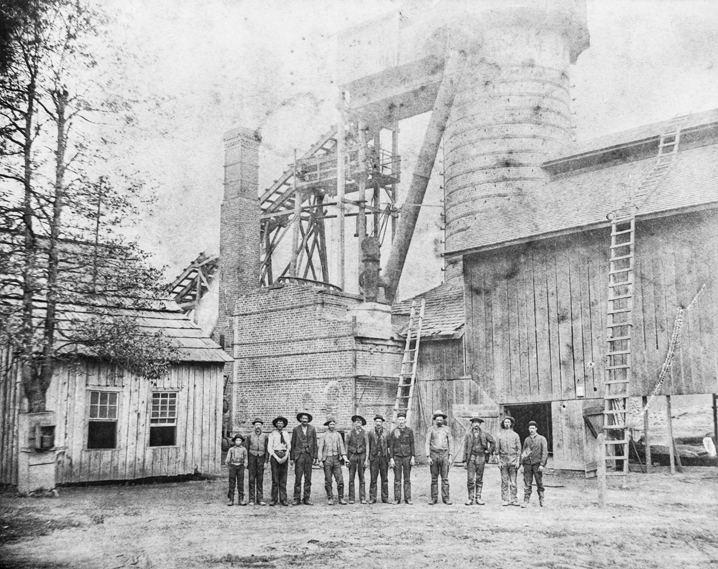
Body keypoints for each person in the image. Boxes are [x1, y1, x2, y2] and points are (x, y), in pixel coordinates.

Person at [462, 416, 495, 506]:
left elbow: (493, 442)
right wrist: (464, 460)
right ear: (472, 424)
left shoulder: (485, 433)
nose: (476, 424)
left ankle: (478, 497)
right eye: (474, 423)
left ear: (480, 424)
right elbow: (465, 447)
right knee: (470, 479)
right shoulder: (468, 434)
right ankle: (470, 498)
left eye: (478, 423)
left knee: (479, 478)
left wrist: (488, 451)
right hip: (471, 457)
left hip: (481, 457)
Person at [317, 416, 349, 505]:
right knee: (328, 480)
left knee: (340, 479)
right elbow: (320, 449)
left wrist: (345, 459)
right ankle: (330, 498)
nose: (332, 425)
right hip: (327, 459)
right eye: (330, 424)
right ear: (328, 425)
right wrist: (320, 461)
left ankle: (341, 498)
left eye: (333, 424)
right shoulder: (323, 435)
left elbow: (342, 448)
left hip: (336, 460)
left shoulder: (338, 435)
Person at [290, 411, 318, 506]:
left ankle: (306, 498)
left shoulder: (312, 429)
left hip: (308, 455)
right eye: (303, 418)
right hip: (299, 455)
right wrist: (292, 458)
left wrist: (315, 457)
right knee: (298, 478)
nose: (305, 420)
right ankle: (296, 498)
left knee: (308, 478)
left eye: (306, 419)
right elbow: (293, 444)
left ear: (308, 420)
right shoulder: (296, 429)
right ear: (300, 419)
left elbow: (315, 444)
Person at [425, 409, 452, 505]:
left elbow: (451, 443)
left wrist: (450, 456)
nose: (439, 421)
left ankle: (446, 498)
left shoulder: (447, 429)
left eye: (441, 419)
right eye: (437, 419)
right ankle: (434, 498)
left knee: (445, 478)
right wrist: (428, 456)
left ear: (443, 420)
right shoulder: (431, 429)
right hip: (434, 455)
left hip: (444, 455)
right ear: (435, 420)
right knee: (434, 478)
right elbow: (427, 442)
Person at [389, 411, 415, 505]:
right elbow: (391, 446)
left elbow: (412, 444)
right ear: (397, 421)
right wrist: (391, 458)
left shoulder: (409, 431)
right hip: (397, 457)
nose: (401, 421)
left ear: (405, 420)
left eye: (402, 419)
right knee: (397, 479)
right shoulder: (394, 431)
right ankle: (397, 498)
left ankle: (408, 498)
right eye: (399, 419)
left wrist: (413, 457)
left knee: (407, 479)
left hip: (407, 457)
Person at [521, 420, 548, 508]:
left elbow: (544, 452)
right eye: (530, 428)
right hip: (528, 464)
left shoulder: (541, 439)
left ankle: (542, 500)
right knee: (527, 482)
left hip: (537, 464)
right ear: (528, 429)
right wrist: (522, 464)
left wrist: (542, 464)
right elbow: (524, 452)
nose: (531, 430)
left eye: (533, 428)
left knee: (539, 482)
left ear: (536, 429)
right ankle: (526, 500)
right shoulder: (527, 440)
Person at [495, 416, 521, 506]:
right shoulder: (499, 435)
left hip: (513, 461)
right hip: (503, 461)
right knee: (504, 481)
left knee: (513, 481)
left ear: (511, 424)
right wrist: (498, 461)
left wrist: (518, 461)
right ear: (503, 424)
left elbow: (518, 450)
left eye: (508, 422)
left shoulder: (515, 435)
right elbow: (497, 450)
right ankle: (505, 499)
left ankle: (514, 499)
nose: (507, 424)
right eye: (505, 422)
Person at [245, 418, 269, 506]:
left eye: (259, 425)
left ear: (262, 426)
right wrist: (246, 460)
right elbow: (246, 449)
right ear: (254, 426)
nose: (258, 427)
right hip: (252, 457)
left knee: (260, 479)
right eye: (256, 425)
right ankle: (251, 499)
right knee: (251, 479)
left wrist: (266, 461)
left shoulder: (265, 436)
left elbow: (267, 450)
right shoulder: (249, 436)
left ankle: (260, 499)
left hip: (261, 458)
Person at [268, 416, 291, 506]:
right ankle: (274, 499)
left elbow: (289, 446)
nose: (280, 425)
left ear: (283, 425)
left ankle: (283, 499)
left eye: (281, 423)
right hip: (275, 455)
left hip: (284, 455)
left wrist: (286, 456)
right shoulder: (272, 434)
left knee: (283, 479)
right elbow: (269, 448)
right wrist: (276, 458)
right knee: (275, 479)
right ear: (276, 425)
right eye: (278, 423)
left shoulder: (286, 434)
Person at [367, 414, 390, 504]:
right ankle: (373, 497)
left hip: (384, 458)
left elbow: (389, 445)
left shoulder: (387, 432)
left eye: (380, 421)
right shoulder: (370, 432)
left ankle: (385, 497)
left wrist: (389, 457)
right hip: (374, 458)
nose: (378, 423)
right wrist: (369, 458)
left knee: (384, 478)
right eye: (377, 421)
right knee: (373, 479)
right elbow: (368, 445)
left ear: (382, 422)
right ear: (375, 422)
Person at [346, 415, 369, 504]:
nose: (358, 423)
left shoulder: (365, 433)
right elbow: (346, 445)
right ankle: (351, 498)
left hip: (362, 456)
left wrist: (366, 459)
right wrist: (347, 459)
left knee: (362, 478)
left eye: (359, 422)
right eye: (356, 422)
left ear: (362, 424)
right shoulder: (350, 433)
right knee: (351, 478)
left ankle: (362, 497)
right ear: (354, 423)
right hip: (352, 456)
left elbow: (367, 446)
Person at [226, 434, 247, 506]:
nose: (238, 442)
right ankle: (231, 499)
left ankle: (241, 499)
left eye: (239, 440)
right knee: (232, 483)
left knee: (240, 483)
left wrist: (245, 465)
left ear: (242, 441)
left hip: (240, 466)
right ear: (234, 441)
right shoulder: (231, 449)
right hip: (233, 466)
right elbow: (228, 458)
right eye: (237, 440)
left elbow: (245, 458)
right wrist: (228, 464)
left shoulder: (244, 449)